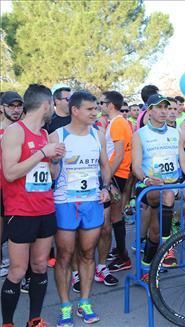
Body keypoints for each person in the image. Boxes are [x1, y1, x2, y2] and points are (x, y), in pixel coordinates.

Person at [1, 84, 65, 327]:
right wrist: (42, 153)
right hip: (21, 210)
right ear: (47, 105)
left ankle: (34, 320)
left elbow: (49, 173)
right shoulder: (15, 132)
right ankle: (7, 323)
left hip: (45, 208)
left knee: (39, 266)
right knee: (17, 271)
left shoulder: (44, 134)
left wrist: (54, 160)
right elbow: (9, 173)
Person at [51, 91, 111, 326]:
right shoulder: (57, 135)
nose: (94, 112)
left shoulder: (98, 135)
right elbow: (52, 174)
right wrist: (55, 159)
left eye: (96, 108)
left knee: (88, 253)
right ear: (75, 110)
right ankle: (65, 306)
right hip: (65, 202)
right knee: (64, 256)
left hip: (91, 202)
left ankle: (84, 303)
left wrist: (106, 187)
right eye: (89, 109)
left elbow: (104, 165)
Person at [132, 94, 185, 269]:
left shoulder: (175, 133)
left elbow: (183, 160)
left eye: (166, 107)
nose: (164, 111)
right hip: (150, 187)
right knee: (166, 196)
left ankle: (146, 266)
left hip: (174, 183)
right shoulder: (139, 135)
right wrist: (147, 179)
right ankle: (169, 245)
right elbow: (135, 165)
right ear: (149, 111)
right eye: (159, 107)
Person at [99, 91, 133, 273]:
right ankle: (121, 253)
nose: (99, 106)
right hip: (117, 174)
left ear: (110, 105)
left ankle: (123, 256)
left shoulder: (118, 123)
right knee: (115, 216)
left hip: (115, 174)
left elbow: (119, 153)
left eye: (101, 102)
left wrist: (106, 178)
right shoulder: (118, 122)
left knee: (115, 216)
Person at [0, 91, 24, 278]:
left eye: (18, 106)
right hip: (2, 187)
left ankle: (23, 270)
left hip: (20, 188)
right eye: (11, 106)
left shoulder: (26, 129)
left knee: (18, 231)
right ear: (2, 108)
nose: (15, 110)